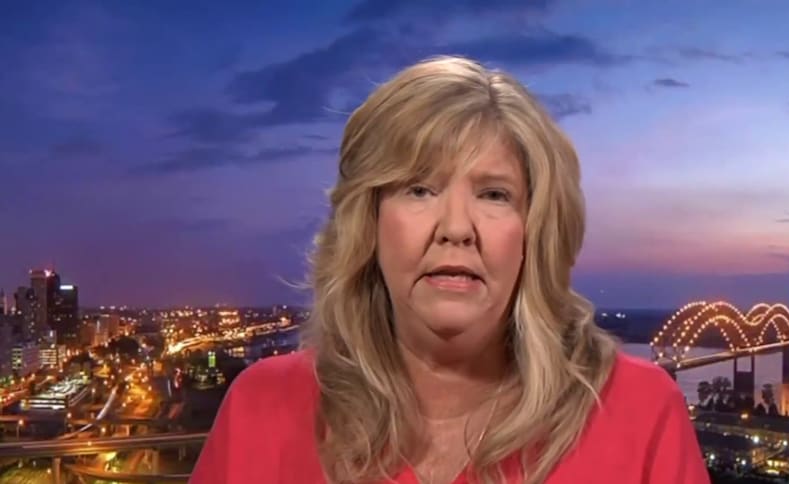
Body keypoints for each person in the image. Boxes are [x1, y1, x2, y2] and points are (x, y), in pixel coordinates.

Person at [189, 55, 709, 484]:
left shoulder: (642, 413)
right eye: (420, 189)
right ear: (368, 224)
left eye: (494, 194)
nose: (456, 228)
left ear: (533, 233)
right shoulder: (262, 407)